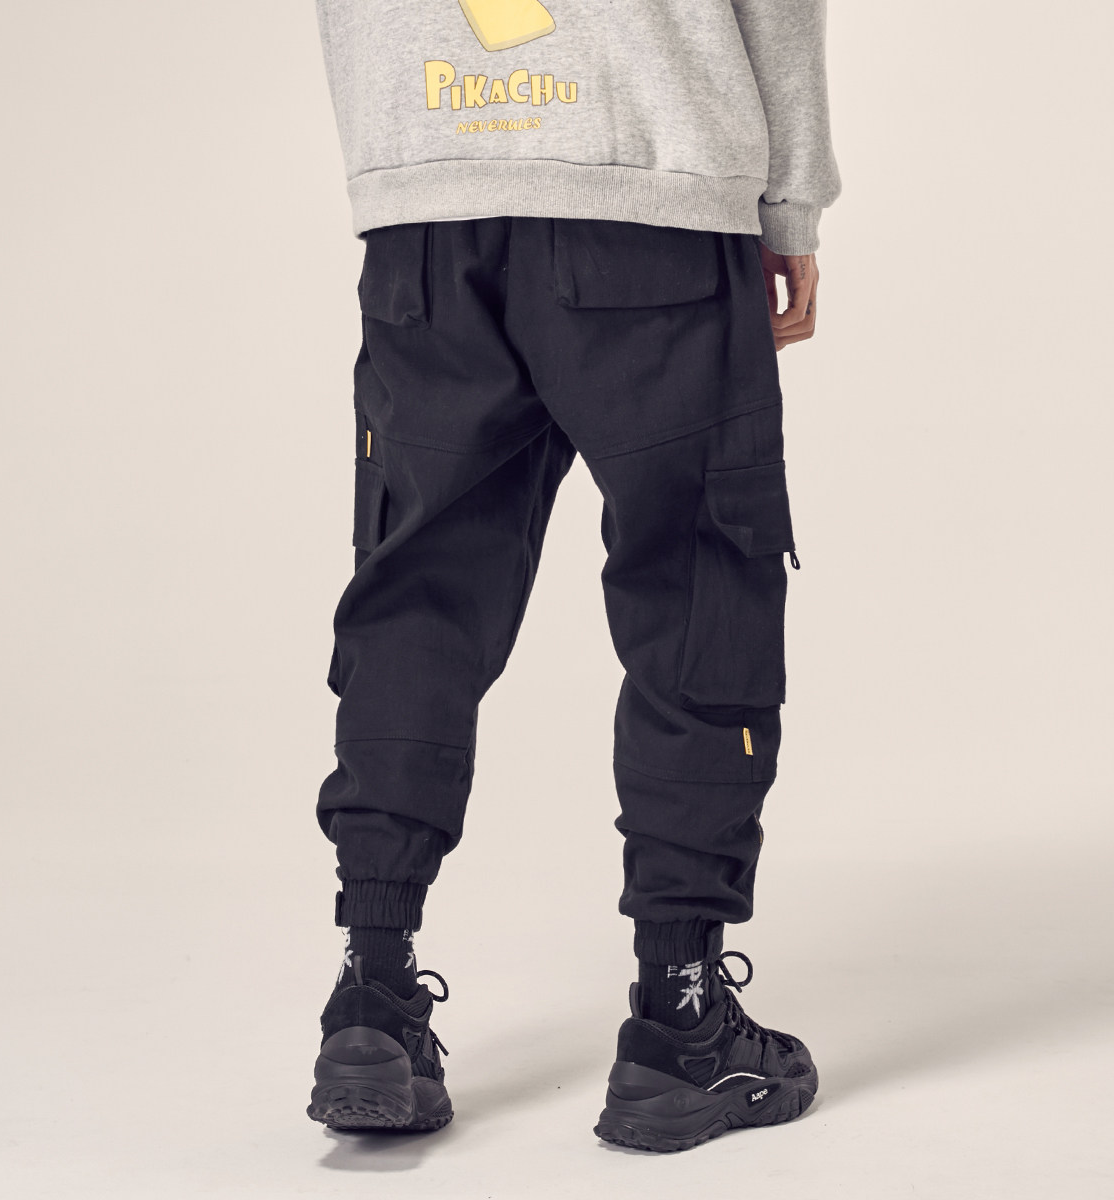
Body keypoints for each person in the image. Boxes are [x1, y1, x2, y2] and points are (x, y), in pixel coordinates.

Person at [305, 0, 841, 1152]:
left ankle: (373, 993)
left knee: (415, 593)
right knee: (699, 578)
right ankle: (680, 1020)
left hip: (427, 201)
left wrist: (406, 150)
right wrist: (789, 202)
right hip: (651, 181)